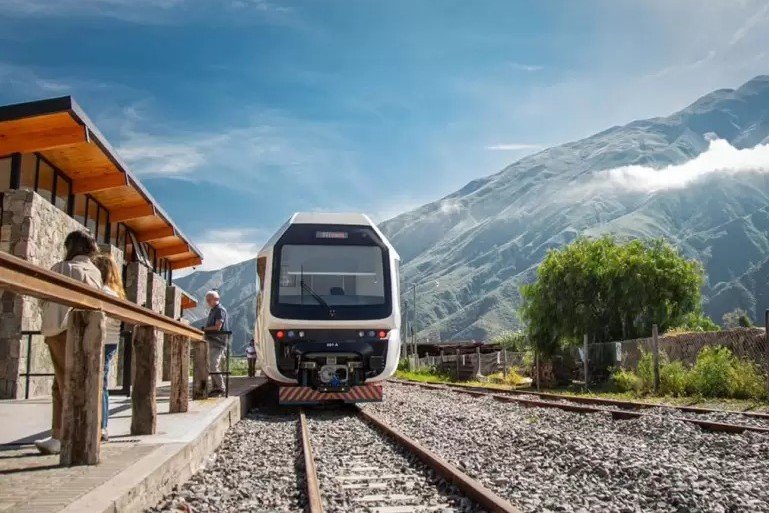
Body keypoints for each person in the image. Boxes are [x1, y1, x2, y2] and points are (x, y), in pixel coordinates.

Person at [37, 230, 103, 455]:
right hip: (86, 333)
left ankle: (64, 436)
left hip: (61, 329)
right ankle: (71, 433)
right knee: (74, 382)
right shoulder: (95, 273)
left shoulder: (63, 268)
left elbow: (44, 296)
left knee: (63, 384)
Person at [92, 252, 126, 442]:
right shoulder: (116, 293)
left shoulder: (102, 291)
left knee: (98, 383)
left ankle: (100, 425)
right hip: (111, 341)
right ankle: (102, 425)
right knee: (102, 382)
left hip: (100, 340)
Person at [203, 290, 229, 397]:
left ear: (216, 299)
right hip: (213, 341)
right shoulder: (214, 310)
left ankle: (221, 388)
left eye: (209, 299)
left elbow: (218, 327)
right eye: (207, 300)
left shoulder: (219, 310)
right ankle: (215, 388)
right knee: (211, 365)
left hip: (218, 342)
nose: (208, 302)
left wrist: (204, 329)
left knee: (213, 365)